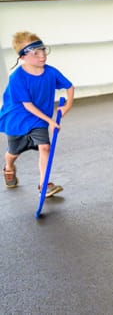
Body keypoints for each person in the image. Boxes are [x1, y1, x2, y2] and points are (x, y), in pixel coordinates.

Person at [0, 31, 74, 197]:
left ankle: (44, 184)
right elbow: (27, 105)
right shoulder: (17, 77)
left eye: (43, 50)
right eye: (35, 53)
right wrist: (51, 121)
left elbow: (69, 86)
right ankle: (9, 167)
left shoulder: (50, 72)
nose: (42, 56)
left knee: (45, 147)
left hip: (38, 119)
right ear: (23, 57)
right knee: (13, 152)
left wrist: (68, 105)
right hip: (17, 119)